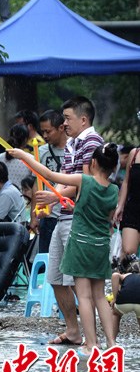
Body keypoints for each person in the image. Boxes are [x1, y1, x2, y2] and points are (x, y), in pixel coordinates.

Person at [9, 143, 120, 352]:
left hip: (80, 245)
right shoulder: (114, 190)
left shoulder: (83, 180)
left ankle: (91, 344)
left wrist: (24, 155)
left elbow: (49, 173)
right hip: (100, 246)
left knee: (84, 296)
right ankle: (112, 343)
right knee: (99, 296)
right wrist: (75, 208)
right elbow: (105, 219)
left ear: (93, 163)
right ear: (114, 167)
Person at [34, 96, 104, 347]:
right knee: (55, 278)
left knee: (78, 283)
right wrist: (49, 203)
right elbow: (65, 178)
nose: (64, 123)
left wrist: (53, 197)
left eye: (67, 118)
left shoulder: (93, 141)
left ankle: (90, 336)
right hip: (63, 217)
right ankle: (73, 331)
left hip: (80, 219)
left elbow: (85, 182)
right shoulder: (74, 143)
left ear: (83, 119)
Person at [35, 109, 67, 253]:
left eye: (48, 131)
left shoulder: (73, 150)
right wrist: (33, 216)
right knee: (46, 259)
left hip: (68, 215)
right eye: (43, 132)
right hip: (48, 216)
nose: (45, 136)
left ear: (61, 128)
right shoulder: (41, 152)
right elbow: (37, 183)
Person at [115, 144, 140, 267]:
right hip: (133, 208)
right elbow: (126, 182)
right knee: (128, 252)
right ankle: (123, 283)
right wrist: (120, 206)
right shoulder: (134, 153)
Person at [111, 260, 140, 341]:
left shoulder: (125, 275)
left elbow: (115, 275)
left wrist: (115, 298)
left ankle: (111, 341)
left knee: (115, 314)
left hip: (124, 301)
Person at [0, 124, 33, 190]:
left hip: (5, 195)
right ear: (26, 140)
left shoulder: (1, 157)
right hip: (23, 197)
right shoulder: (30, 158)